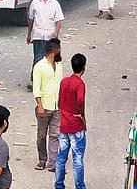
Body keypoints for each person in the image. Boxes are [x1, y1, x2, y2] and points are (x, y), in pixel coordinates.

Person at [55, 53, 87, 189]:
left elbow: (60, 102)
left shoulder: (64, 82)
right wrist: (82, 115)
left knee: (61, 158)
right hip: (76, 126)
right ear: (84, 68)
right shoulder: (80, 84)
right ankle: (79, 186)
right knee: (77, 159)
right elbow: (80, 100)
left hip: (64, 125)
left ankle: (59, 184)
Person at [27, 0, 64, 91]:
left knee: (49, 60)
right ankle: (35, 82)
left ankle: (48, 82)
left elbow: (58, 21)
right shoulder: (35, 3)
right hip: (38, 35)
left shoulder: (55, 4)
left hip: (50, 36)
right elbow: (31, 19)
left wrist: (56, 34)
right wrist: (29, 34)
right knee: (37, 59)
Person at [33, 38, 63, 172]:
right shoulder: (39, 66)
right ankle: (42, 160)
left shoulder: (59, 66)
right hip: (44, 107)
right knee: (41, 135)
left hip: (57, 107)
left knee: (55, 135)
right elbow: (36, 88)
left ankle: (53, 163)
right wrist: (39, 105)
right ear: (54, 50)